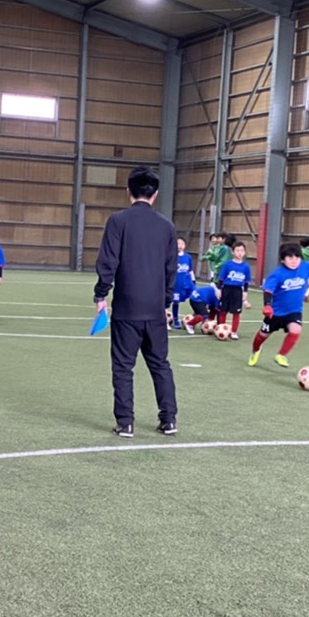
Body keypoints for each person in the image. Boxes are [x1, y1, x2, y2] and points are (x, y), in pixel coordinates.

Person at [93, 166, 178, 438]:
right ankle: (169, 420)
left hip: (127, 308)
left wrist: (101, 294)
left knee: (123, 367)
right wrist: (165, 301)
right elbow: (171, 268)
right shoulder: (167, 226)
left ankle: (125, 423)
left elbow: (108, 261)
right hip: (155, 309)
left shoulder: (118, 221)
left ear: (128, 190)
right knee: (160, 365)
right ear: (155, 194)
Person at [249, 242, 309, 368]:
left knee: (296, 330)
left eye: (297, 257)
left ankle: (281, 355)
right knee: (262, 335)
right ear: (282, 260)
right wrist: (267, 305)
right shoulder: (277, 274)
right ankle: (255, 350)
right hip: (275, 313)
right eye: (290, 257)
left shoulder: (305, 268)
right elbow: (268, 291)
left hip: (294, 311)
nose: (294, 260)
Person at [215, 242, 252, 338]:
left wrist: (245, 292)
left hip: (238, 290)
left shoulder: (246, 266)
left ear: (244, 252)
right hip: (227, 289)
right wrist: (219, 289)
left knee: (236, 312)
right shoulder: (228, 264)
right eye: (237, 250)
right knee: (223, 311)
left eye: (242, 251)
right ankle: (221, 329)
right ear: (232, 252)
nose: (240, 253)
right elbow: (221, 278)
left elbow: (246, 281)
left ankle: (234, 332)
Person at [170, 237, 194, 329]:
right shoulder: (171, 256)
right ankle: (175, 320)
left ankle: (194, 319)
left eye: (182, 244)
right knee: (175, 302)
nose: (180, 246)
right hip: (176, 284)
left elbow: (190, 270)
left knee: (196, 298)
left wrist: (193, 281)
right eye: (178, 244)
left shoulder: (188, 257)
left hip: (187, 284)